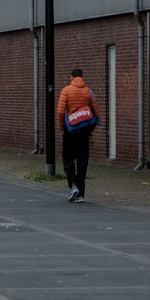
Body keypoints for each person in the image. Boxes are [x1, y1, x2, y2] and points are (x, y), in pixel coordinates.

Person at [57, 68, 100, 202]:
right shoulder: (89, 92)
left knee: (67, 158)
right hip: (84, 131)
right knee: (82, 160)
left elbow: (60, 112)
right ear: (82, 77)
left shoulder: (66, 91)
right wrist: (89, 129)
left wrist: (62, 128)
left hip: (70, 131)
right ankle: (80, 193)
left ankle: (73, 185)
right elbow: (96, 113)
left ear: (71, 77)